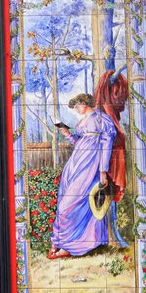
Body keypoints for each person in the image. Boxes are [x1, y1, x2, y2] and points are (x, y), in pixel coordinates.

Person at [49, 93, 128, 259]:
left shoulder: (101, 119)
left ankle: (69, 246)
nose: (76, 110)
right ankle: (62, 243)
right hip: (75, 165)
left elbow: (106, 146)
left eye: (77, 106)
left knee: (71, 205)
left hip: (90, 166)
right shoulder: (83, 120)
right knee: (67, 201)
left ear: (84, 103)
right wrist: (69, 135)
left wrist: (102, 170)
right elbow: (81, 143)